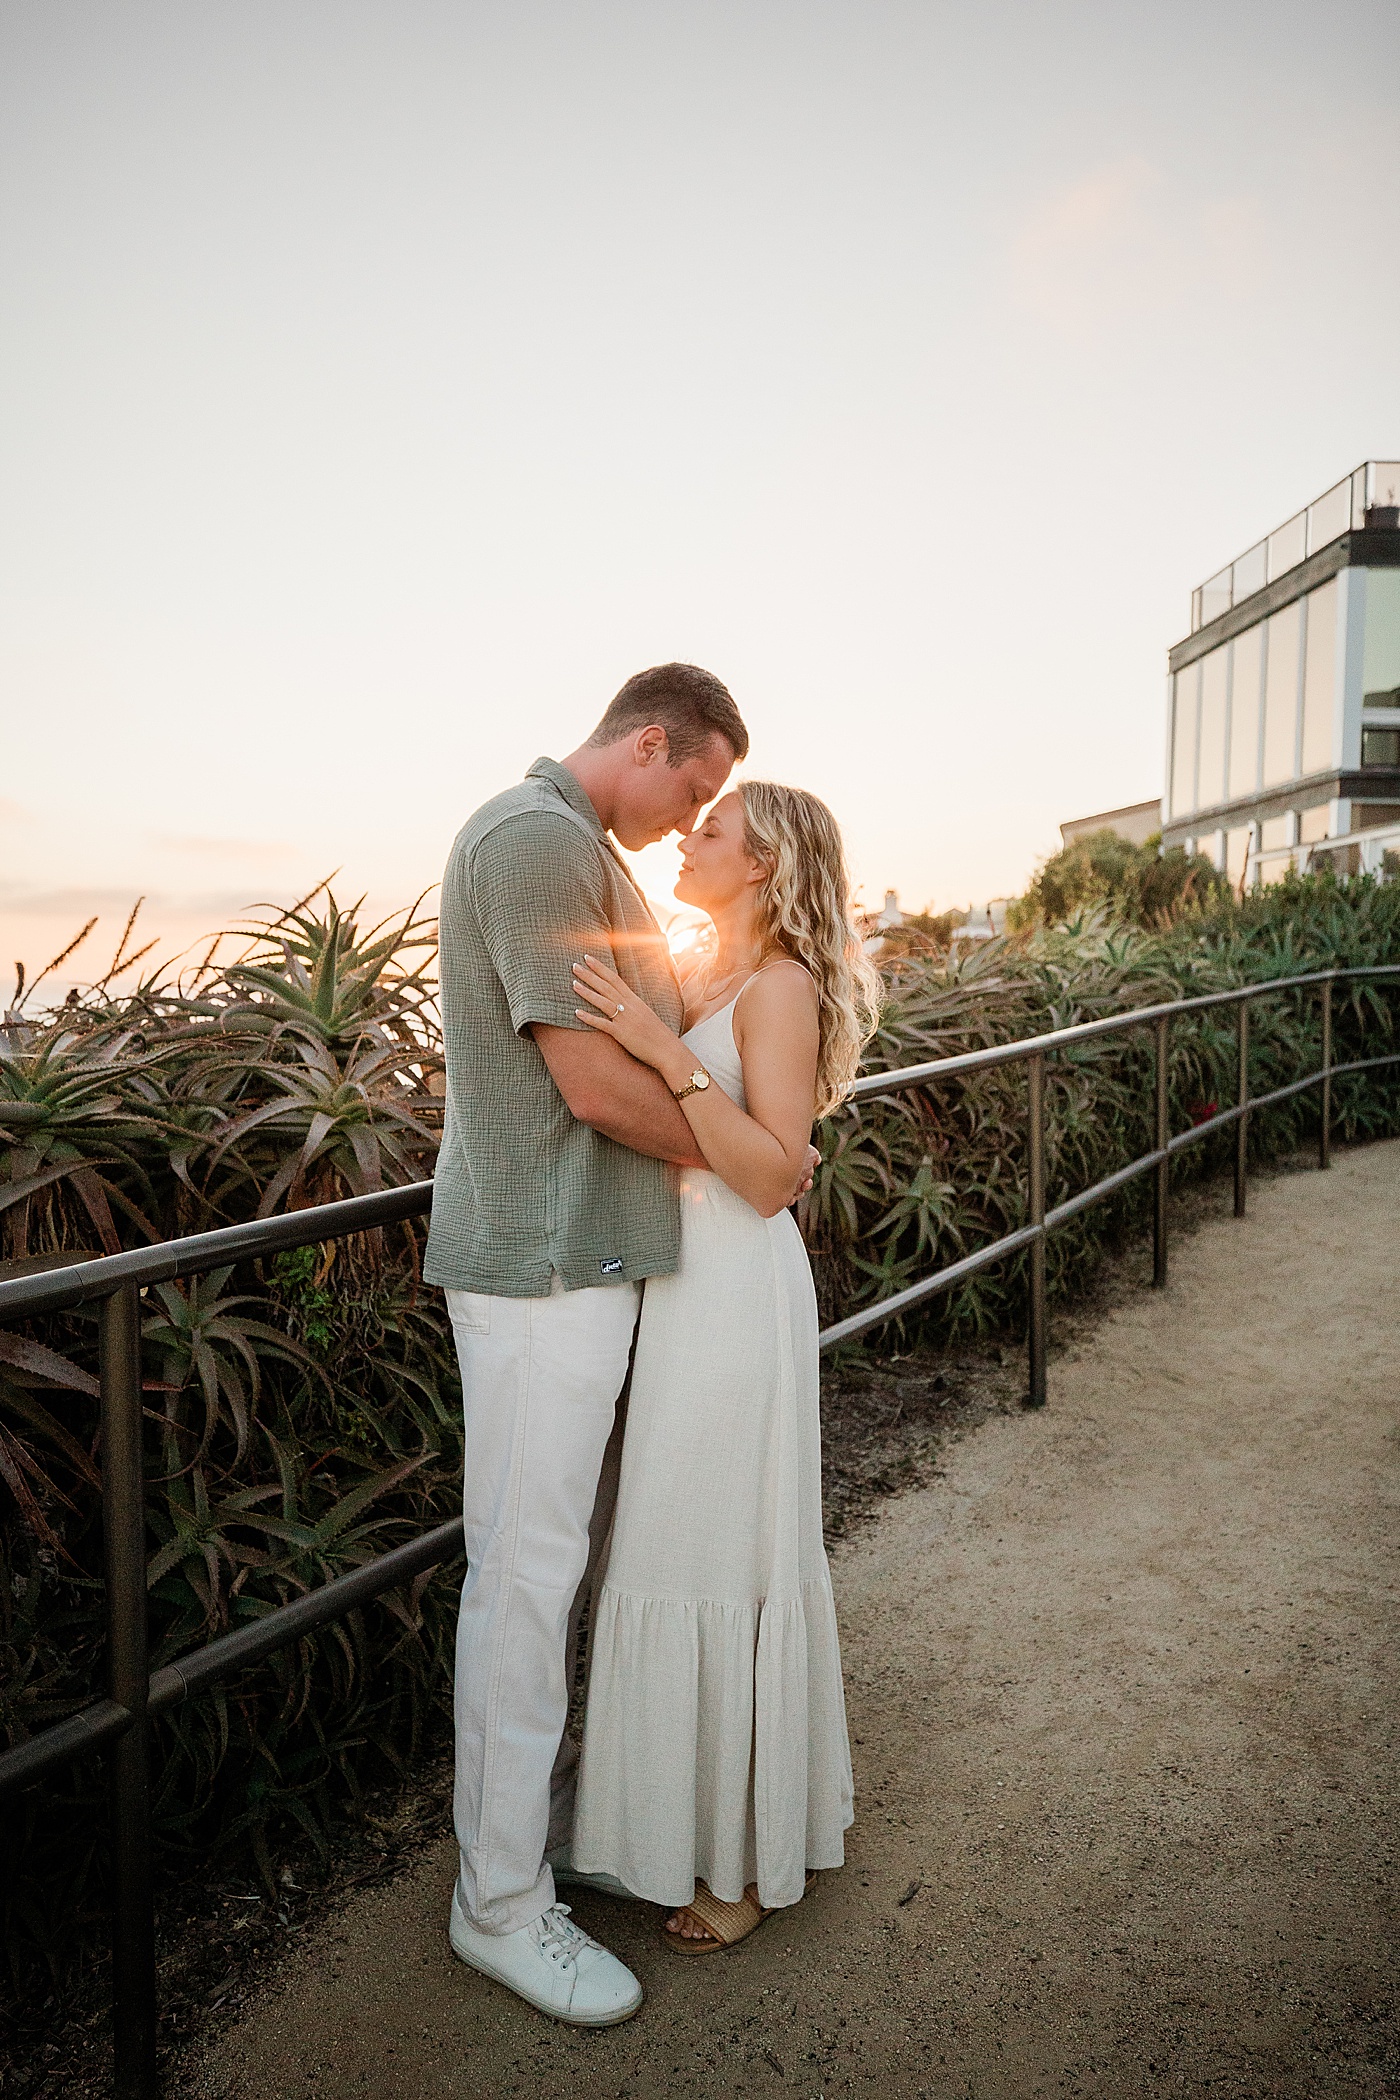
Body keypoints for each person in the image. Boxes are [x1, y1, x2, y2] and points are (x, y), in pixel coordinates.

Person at [422, 665, 815, 2026]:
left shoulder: (575, 848)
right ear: (650, 741)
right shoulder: (535, 842)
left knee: (546, 1571)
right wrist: (746, 1162)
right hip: (538, 1269)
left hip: (580, 1262)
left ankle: (520, 1858)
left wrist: (731, 1156)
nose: (683, 820)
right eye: (693, 791)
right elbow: (590, 1083)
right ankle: (501, 1909)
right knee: (525, 1582)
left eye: (710, 811)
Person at [563, 780, 881, 1951]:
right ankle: (665, 1829)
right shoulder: (708, 974)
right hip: (681, 1287)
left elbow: (769, 1174)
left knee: (721, 1551)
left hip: (736, 1294)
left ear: (761, 866)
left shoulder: (782, 988)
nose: (688, 839)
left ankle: (741, 1867)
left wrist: (657, 1050)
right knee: (666, 1541)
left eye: (711, 831)